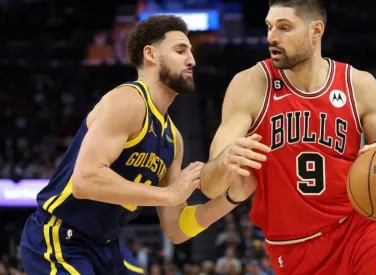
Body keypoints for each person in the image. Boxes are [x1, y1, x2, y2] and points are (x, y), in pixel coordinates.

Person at [199, 0, 376, 274]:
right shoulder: (251, 84)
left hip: (361, 227)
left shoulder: (359, 84)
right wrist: (223, 162)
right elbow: (210, 187)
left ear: (315, 30)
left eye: (284, 27)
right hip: (293, 247)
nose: (272, 37)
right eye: (270, 27)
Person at [19, 15, 256, 275]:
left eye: (190, 52)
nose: (192, 60)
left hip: (106, 247)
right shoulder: (128, 101)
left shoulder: (173, 138)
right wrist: (169, 194)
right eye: (180, 50)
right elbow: (85, 181)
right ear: (150, 54)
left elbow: (176, 228)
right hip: (60, 236)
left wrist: (233, 198)